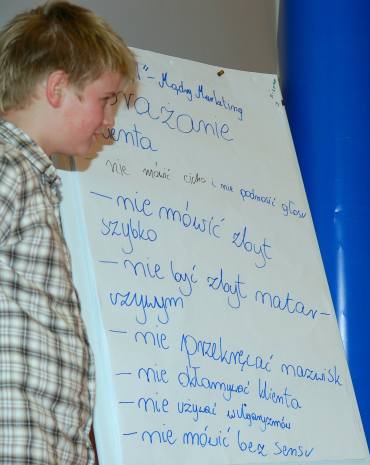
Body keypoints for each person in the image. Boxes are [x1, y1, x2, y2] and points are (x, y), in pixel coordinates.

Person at [0, 2, 135, 464]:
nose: (110, 122)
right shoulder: (8, 167)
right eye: (106, 100)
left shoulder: (34, 182)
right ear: (57, 88)